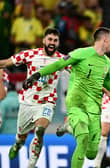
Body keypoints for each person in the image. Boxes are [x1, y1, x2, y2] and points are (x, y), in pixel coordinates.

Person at [23, 27, 110, 168]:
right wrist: (37, 75)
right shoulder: (81, 53)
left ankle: (68, 127)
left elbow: (107, 81)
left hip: (94, 108)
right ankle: (73, 126)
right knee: (83, 138)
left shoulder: (106, 61)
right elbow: (58, 64)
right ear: (105, 39)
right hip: (76, 104)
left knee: (91, 153)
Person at [0, 27, 69, 168]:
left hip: (47, 102)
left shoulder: (61, 60)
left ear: (58, 43)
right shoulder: (31, 54)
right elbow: (6, 62)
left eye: (55, 40)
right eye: (50, 39)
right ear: (44, 40)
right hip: (28, 102)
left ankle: (31, 165)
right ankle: (17, 146)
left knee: (40, 130)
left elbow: (78, 71)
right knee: (21, 137)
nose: (52, 43)